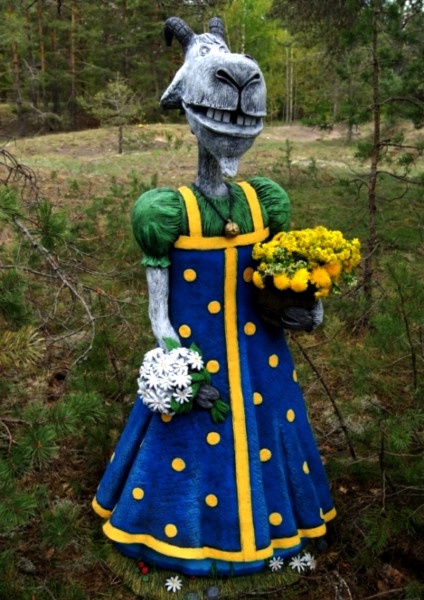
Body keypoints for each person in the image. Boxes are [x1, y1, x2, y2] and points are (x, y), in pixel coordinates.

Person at [92, 17, 336, 577]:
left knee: (271, 427)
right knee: (190, 442)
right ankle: (183, 535)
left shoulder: (262, 203)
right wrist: (176, 372)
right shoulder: (166, 212)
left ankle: (276, 527)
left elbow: (278, 277)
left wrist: (307, 305)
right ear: (183, 99)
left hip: (264, 361)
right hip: (198, 359)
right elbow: (159, 315)